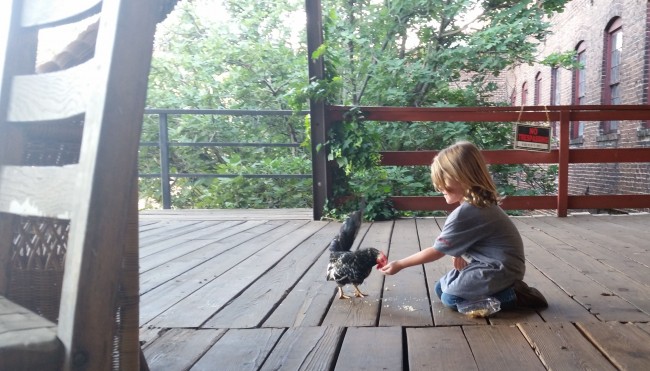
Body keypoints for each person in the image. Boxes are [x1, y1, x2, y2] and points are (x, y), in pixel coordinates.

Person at [380, 141, 547, 310]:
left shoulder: (467, 212)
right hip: (496, 265)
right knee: (440, 288)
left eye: (442, 182)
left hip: (500, 270)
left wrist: (400, 264)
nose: (439, 188)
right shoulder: (480, 204)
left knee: (451, 299)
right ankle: (500, 291)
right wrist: (457, 251)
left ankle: (515, 296)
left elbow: (436, 252)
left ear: (463, 178)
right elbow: (469, 237)